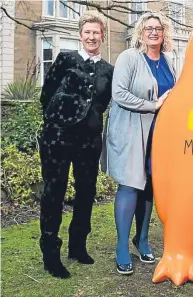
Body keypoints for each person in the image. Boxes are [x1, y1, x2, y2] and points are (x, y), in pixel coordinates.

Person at [38, 10, 113, 279]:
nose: (92, 37)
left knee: (85, 192)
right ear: (80, 35)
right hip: (58, 136)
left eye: (96, 33)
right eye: (88, 32)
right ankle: (50, 253)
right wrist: (56, 120)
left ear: (102, 37)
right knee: (54, 192)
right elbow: (47, 92)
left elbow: (103, 103)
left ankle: (77, 246)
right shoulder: (66, 59)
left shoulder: (108, 70)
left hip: (89, 141)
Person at [102, 12, 176, 275]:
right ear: (140, 32)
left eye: (158, 28)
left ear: (164, 32)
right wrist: (152, 104)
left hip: (159, 134)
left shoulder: (169, 61)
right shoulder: (129, 57)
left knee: (150, 185)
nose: (153, 32)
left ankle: (141, 239)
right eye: (148, 28)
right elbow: (119, 93)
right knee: (131, 184)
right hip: (131, 130)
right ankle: (122, 247)